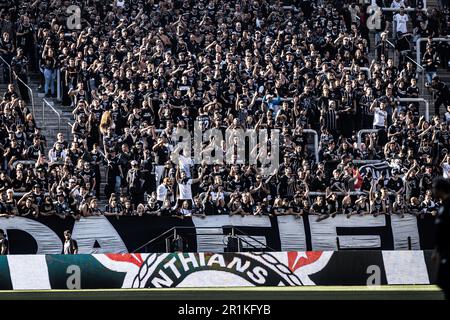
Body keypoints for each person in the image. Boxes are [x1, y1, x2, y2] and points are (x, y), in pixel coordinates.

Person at [432, 177, 450, 300]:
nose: (432, 190)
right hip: (444, 251)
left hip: (449, 251)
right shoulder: (442, 206)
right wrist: (437, 250)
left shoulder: (448, 207)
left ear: (440, 189)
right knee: (442, 282)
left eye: (434, 188)